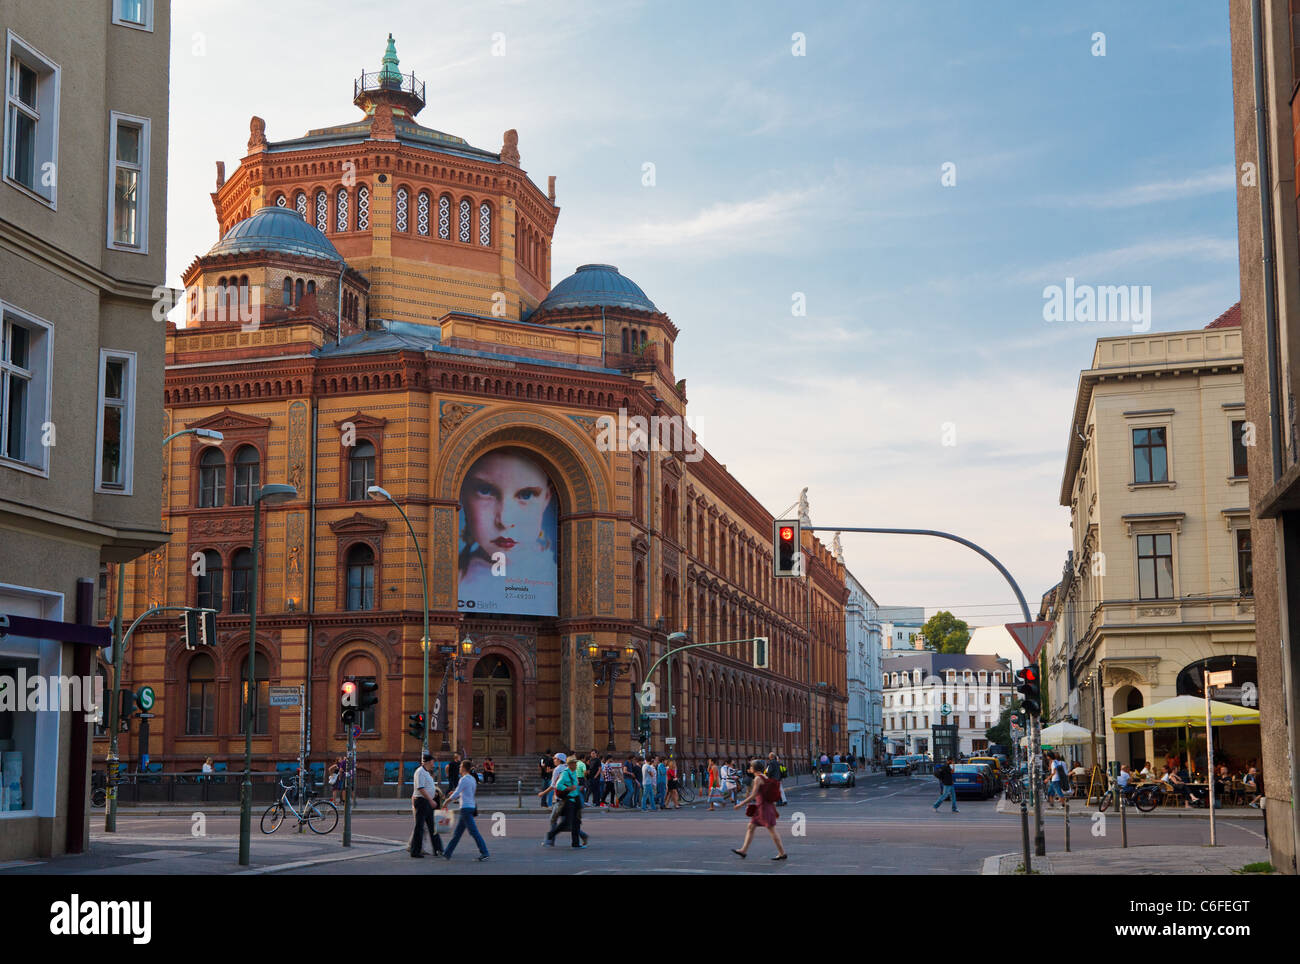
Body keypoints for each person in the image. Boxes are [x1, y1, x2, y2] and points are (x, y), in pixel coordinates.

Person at [731, 759, 787, 860]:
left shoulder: (757, 779)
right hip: (764, 807)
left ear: (754, 768)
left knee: (772, 830)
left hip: (763, 808)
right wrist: (774, 809)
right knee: (751, 827)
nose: (750, 768)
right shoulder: (765, 777)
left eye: (751, 767)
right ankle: (743, 850)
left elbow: (753, 795)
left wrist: (741, 804)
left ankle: (782, 853)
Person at [442, 760, 489, 861]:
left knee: (473, 832)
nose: (459, 768)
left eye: (460, 767)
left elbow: (457, 793)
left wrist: (446, 801)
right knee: (458, 833)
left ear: (463, 768)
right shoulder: (472, 779)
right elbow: (466, 793)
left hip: (466, 808)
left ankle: (484, 852)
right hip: (470, 807)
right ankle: (447, 853)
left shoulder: (463, 779)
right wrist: (456, 793)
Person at [545, 755, 588, 848]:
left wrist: (577, 789)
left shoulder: (574, 772)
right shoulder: (565, 773)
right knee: (566, 822)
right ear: (570, 764)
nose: (576, 764)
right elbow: (558, 785)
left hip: (575, 799)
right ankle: (551, 834)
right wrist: (568, 788)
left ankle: (575, 843)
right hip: (568, 800)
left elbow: (575, 784)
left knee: (576, 822)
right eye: (574, 763)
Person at [410, 753, 444, 858]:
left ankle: (438, 849)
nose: (433, 764)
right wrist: (431, 800)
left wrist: (434, 794)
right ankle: (415, 851)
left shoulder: (426, 772)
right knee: (419, 827)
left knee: (432, 826)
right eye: (433, 762)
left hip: (426, 801)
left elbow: (427, 787)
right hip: (422, 801)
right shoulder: (420, 772)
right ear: (428, 762)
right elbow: (420, 788)